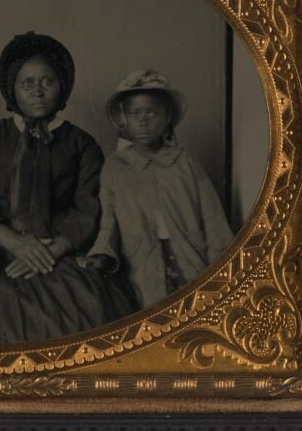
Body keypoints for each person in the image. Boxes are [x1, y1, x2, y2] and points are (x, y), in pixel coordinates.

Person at [0, 33, 136, 345]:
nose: (37, 91)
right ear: (10, 88)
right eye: (26, 83)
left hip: (61, 249)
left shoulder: (81, 144)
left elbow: (89, 205)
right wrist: (16, 243)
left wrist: (52, 251)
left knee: (88, 307)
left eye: (47, 81)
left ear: (62, 85)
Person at [89, 68, 234, 307]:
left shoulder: (184, 161)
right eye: (135, 113)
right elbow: (109, 219)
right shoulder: (115, 166)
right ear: (123, 118)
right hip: (141, 262)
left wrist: (222, 267)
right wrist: (101, 252)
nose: (143, 120)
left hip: (189, 256)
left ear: (167, 117)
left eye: (152, 113)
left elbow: (212, 217)